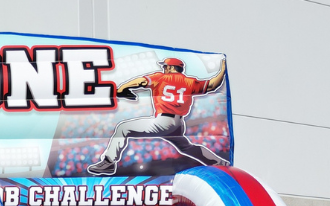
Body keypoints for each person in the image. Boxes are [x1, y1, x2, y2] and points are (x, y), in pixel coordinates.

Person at [88, 57, 228, 175]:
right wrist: (222, 70)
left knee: (123, 128)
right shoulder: (189, 82)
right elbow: (212, 85)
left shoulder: (161, 77)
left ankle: (109, 162)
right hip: (178, 124)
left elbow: (140, 81)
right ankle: (219, 162)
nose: (164, 68)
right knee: (186, 147)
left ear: (171, 67)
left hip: (163, 122)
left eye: (165, 66)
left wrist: (123, 88)